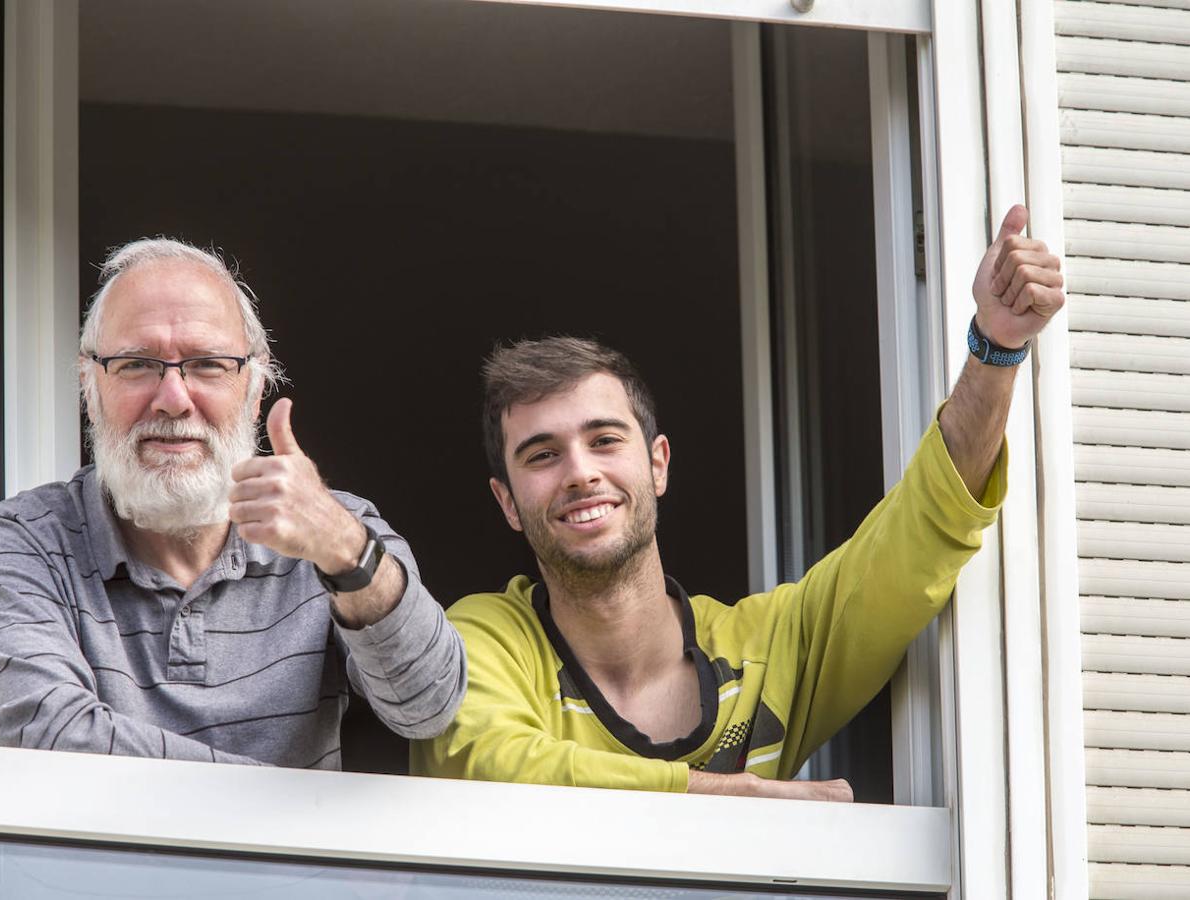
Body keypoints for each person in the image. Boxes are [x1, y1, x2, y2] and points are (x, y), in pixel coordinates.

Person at [413, 205, 1063, 800]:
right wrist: (736, 798)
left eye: (605, 439)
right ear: (506, 500)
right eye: (542, 454)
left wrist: (996, 346)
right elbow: (486, 762)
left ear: (658, 463)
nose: (580, 472)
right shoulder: (484, 637)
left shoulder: (765, 649)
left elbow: (922, 532)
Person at [0, 239, 465, 768]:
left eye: (207, 365)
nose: (174, 399)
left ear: (254, 389)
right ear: (90, 385)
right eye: (136, 364)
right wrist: (296, 805)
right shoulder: (23, 541)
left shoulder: (336, 531)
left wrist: (346, 553)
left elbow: (428, 709)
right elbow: (52, 739)